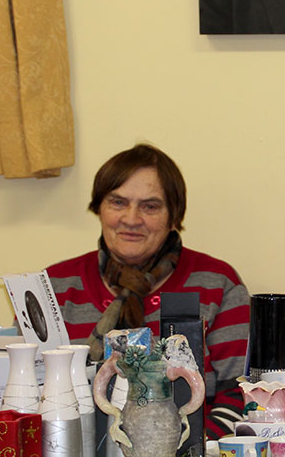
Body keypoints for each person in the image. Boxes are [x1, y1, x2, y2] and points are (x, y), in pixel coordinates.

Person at [45, 143, 250, 439]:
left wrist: (187, 447)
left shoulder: (217, 283)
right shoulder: (56, 286)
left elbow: (243, 391)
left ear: (173, 216)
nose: (131, 218)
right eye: (118, 202)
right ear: (99, 209)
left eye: (150, 206)